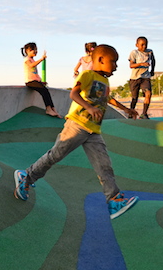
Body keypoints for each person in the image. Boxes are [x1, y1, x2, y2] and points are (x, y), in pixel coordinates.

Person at [14, 45, 140, 219]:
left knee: (104, 165)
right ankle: (26, 177)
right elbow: (73, 94)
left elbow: (107, 98)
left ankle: (113, 200)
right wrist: (88, 107)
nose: (116, 66)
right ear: (101, 60)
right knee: (55, 155)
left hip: (93, 130)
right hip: (77, 125)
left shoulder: (104, 81)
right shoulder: (87, 74)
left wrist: (127, 109)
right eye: (114, 62)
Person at [21, 42, 61, 118]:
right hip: (30, 82)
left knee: (46, 92)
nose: (35, 51)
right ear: (27, 51)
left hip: (36, 81)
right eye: (32, 50)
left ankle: (53, 109)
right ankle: (48, 109)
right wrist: (41, 59)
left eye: (36, 49)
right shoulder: (27, 59)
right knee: (44, 91)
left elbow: (34, 72)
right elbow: (31, 65)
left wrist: (41, 81)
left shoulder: (32, 60)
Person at [128, 36, 155, 119]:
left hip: (145, 77)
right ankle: (131, 112)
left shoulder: (150, 52)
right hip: (135, 77)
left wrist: (152, 70)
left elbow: (153, 61)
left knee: (148, 94)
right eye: (142, 45)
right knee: (134, 98)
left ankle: (144, 113)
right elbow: (131, 65)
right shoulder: (134, 53)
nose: (144, 47)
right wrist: (141, 64)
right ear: (137, 45)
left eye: (145, 45)